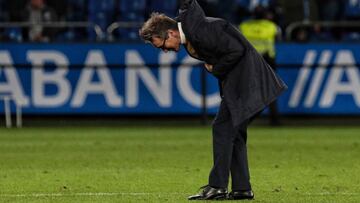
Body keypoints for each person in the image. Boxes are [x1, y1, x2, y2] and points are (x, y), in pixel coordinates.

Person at [139, 0, 287, 200]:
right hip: (247, 83)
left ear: (171, 33)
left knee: (222, 128)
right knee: (235, 133)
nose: (165, 50)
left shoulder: (198, 31)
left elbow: (236, 50)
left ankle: (217, 186)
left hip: (247, 84)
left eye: (163, 45)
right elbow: (187, 7)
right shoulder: (191, 29)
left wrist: (215, 68)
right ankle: (242, 188)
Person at [239, 5, 281, 125]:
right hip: (267, 61)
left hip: (248, 61)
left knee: (246, 91)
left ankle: (243, 119)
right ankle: (274, 120)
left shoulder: (244, 26)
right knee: (271, 92)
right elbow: (279, 36)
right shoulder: (271, 26)